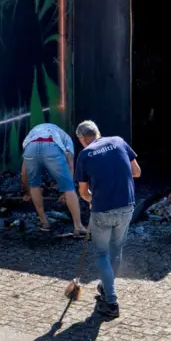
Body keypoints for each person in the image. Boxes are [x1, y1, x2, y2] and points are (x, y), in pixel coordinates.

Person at [74, 120, 141, 320]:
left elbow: (83, 192)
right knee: (116, 249)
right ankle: (105, 286)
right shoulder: (119, 141)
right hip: (127, 206)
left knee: (102, 253)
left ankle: (111, 302)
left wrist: (91, 199)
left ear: (82, 139)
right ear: (98, 132)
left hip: (102, 210)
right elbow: (137, 172)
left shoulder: (84, 154)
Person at [20, 122, 87, 236]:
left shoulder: (32, 134)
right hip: (51, 146)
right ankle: (78, 226)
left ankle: (44, 222)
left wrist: (26, 190)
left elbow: (24, 172)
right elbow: (70, 164)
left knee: (34, 185)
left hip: (30, 148)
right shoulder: (66, 138)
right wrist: (66, 191)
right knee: (69, 188)